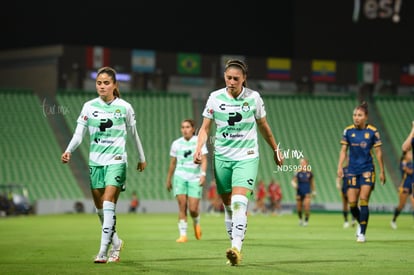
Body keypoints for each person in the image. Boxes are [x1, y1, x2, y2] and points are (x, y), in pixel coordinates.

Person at [193, 59, 283, 266]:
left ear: (244, 79)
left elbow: (263, 126)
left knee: (238, 202)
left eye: (236, 78)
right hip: (222, 157)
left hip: (247, 156)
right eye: (228, 78)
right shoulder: (215, 98)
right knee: (227, 207)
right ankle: (233, 245)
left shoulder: (254, 98)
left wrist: (276, 149)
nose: (231, 82)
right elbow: (205, 128)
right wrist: (199, 148)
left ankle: (236, 248)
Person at [61, 66, 147, 263]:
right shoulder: (89, 106)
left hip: (116, 161)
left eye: (106, 83)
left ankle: (102, 252)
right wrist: (68, 150)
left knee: (109, 204)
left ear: (114, 85)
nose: (102, 86)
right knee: (100, 209)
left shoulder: (124, 107)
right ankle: (116, 243)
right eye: (99, 83)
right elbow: (78, 134)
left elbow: (134, 135)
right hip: (96, 162)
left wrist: (141, 158)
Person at [337, 101, 385, 243]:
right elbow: (343, 151)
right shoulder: (348, 131)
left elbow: (378, 152)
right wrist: (340, 166)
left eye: (359, 115)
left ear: (366, 117)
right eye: (354, 115)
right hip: (352, 170)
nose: (356, 117)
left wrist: (382, 171)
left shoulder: (372, 132)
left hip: (367, 170)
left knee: (363, 201)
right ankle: (361, 222)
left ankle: (362, 233)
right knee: (352, 204)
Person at [166, 119, 208, 243]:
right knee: (182, 206)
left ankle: (196, 222)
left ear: (193, 129)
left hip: (195, 178)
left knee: (193, 209)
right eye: (183, 127)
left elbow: (204, 159)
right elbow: (173, 163)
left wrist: (203, 174)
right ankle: (183, 235)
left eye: (188, 127)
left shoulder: (198, 142)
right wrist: (169, 179)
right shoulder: (176, 144)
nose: (185, 129)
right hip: (180, 177)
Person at [390, 150, 414, 229]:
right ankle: (393, 220)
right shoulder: (403, 163)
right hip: (405, 186)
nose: (411, 155)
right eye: (409, 153)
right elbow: (409, 171)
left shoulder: (411, 163)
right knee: (401, 205)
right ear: (405, 155)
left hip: (412, 186)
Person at [291, 158, 316, 226]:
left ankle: (306, 221)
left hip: (307, 192)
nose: (302, 164)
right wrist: (294, 185)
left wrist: (314, 191)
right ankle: (300, 219)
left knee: (306, 207)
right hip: (299, 192)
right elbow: (293, 181)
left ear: (306, 163)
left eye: (303, 163)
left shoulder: (309, 173)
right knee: (299, 208)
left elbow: (312, 183)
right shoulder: (298, 172)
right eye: (301, 163)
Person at [336, 161, 356, 228]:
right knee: (345, 205)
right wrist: (338, 183)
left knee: (352, 204)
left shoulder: (355, 169)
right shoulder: (344, 169)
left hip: (352, 188)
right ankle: (346, 221)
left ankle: (353, 219)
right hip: (344, 188)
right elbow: (339, 177)